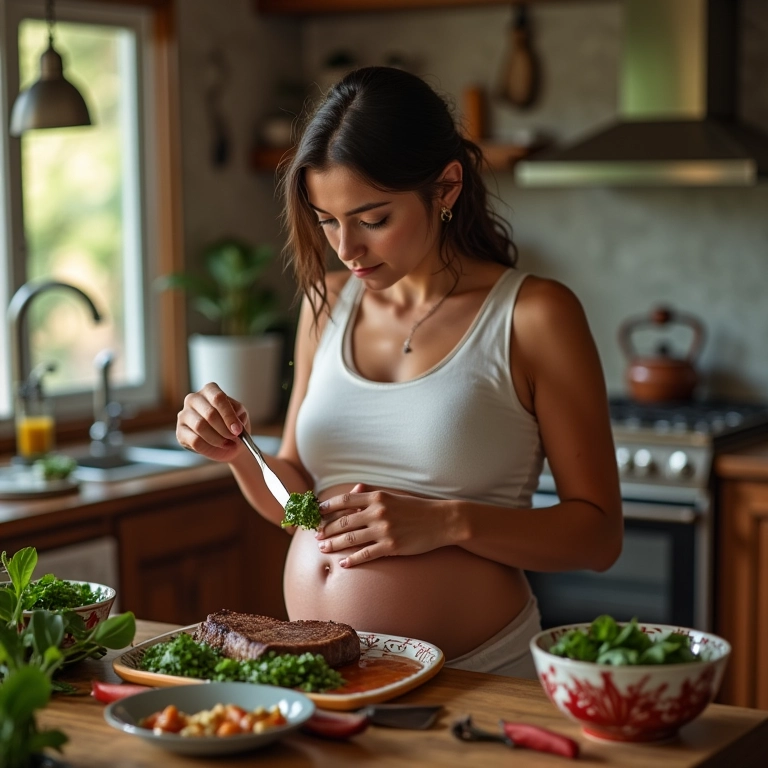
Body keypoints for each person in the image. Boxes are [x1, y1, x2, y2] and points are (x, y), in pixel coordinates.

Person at [176, 66, 622, 679]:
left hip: (476, 678)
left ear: (445, 188)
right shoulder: (325, 306)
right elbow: (298, 501)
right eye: (326, 220)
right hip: (325, 677)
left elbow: (598, 537)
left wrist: (447, 522)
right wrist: (234, 452)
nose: (346, 249)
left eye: (373, 219)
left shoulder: (535, 315)